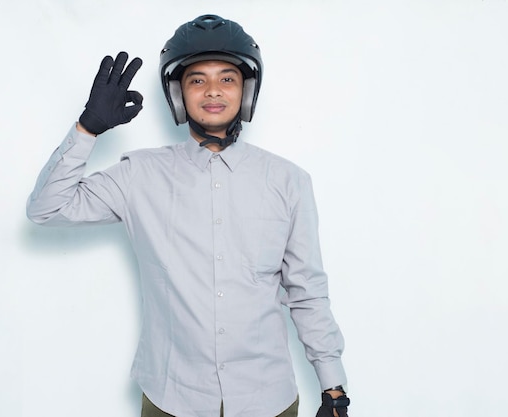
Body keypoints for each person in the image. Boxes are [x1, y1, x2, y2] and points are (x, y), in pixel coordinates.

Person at [27, 14, 350, 417]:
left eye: (227, 79)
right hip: (170, 398)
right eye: (197, 80)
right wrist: (87, 129)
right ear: (178, 94)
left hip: (267, 399)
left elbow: (307, 291)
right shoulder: (137, 175)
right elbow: (46, 209)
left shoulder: (288, 181)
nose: (212, 91)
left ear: (246, 90)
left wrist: (332, 386)